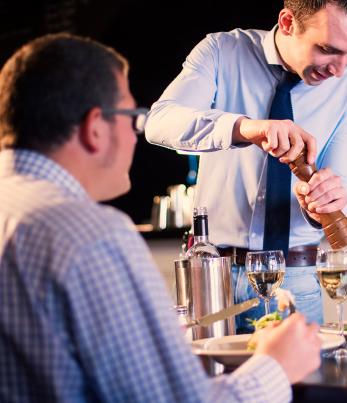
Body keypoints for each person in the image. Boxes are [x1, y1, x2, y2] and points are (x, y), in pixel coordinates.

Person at [0, 33, 321, 403]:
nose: (136, 134)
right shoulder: (93, 236)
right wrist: (276, 367)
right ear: (95, 128)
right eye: (132, 116)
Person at [145, 0, 347, 332]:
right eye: (328, 50)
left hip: (296, 279)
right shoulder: (222, 51)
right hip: (214, 277)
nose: (339, 69)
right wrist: (249, 128)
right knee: (209, 381)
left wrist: (327, 199)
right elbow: (159, 122)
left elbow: (343, 187)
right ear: (287, 22)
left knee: (306, 385)